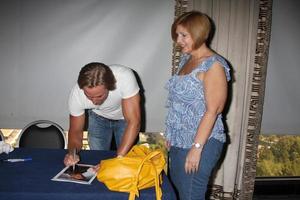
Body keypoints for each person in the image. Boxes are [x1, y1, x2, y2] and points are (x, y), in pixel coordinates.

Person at [165, 11, 231, 200]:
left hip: (203, 141)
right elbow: (177, 103)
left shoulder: (214, 65)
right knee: (178, 192)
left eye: (184, 35)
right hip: (179, 140)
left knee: (191, 194)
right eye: (177, 35)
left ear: (200, 33)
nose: (178, 40)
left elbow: (213, 110)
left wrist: (196, 148)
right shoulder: (187, 60)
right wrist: (172, 133)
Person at [64, 62, 141, 166]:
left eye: (99, 96)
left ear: (110, 86)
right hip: (97, 118)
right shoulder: (76, 95)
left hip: (125, 119)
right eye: (89, 96)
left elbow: (134, 122)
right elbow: (76, 131)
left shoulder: (124, 77)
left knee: (126, 162)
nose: (94, 102)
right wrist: (72, 153)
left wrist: (118, 159)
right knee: (97, 161)